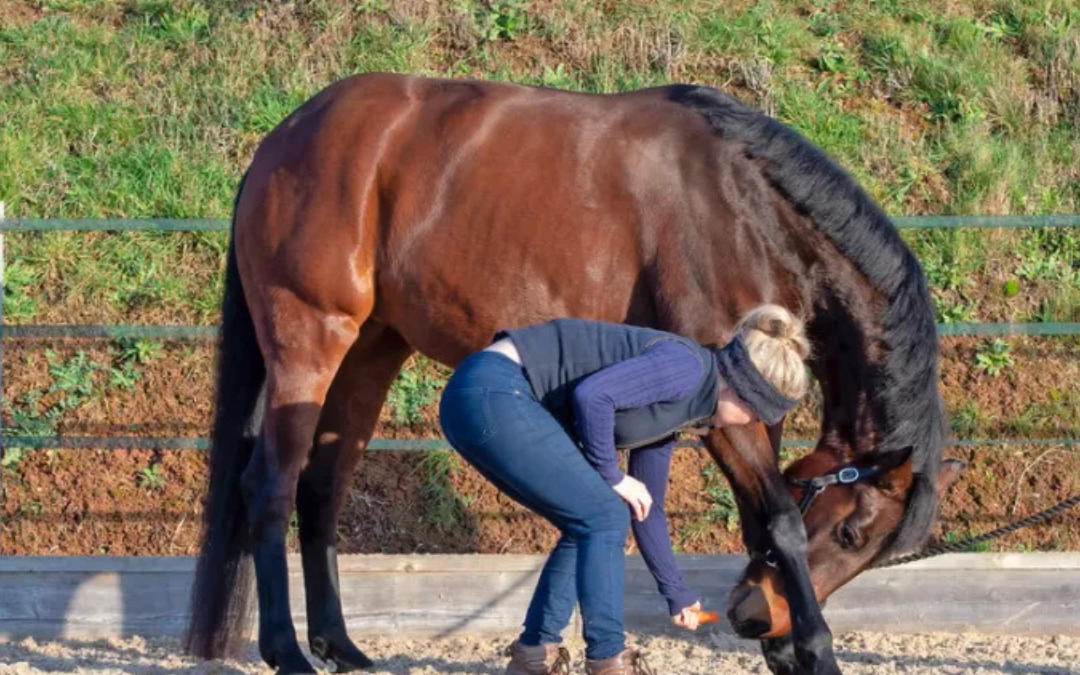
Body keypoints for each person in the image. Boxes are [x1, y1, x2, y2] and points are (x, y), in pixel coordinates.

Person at [438, 306, 811, 675]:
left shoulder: (676, 414)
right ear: (743, 391)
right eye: (758, 413)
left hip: (490, 400)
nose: (754, 422)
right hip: (494, 391)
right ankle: (608, 660)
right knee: (603, 515)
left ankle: (533, 657)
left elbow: (649, 510)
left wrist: (676, 592)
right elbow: (593, 397)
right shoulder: (687, 367)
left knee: (588, 521)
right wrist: (612, 475)